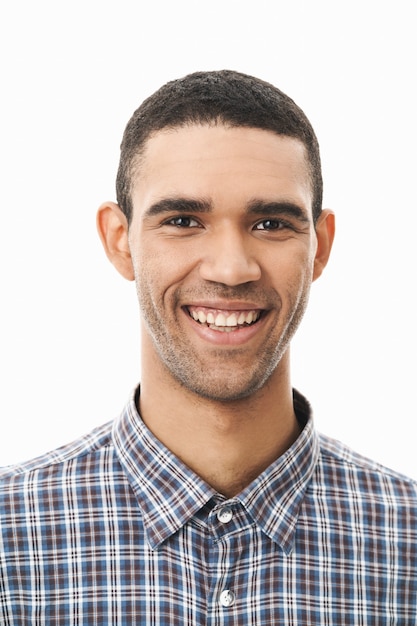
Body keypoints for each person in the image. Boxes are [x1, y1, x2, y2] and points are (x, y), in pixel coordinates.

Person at [0, 70, 416, 625]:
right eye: (183, 220)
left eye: (270, 223)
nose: (231, 268)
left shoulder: (407, 539)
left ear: (320, 247)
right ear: (119, 241)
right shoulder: (10, 538)